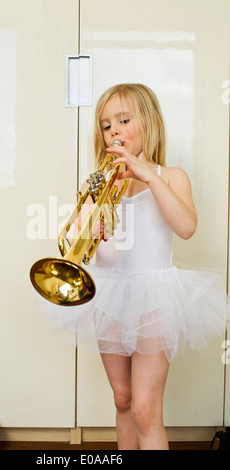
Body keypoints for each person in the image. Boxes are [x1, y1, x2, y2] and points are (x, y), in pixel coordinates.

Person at [41, 83, 229, 450]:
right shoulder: (97, 182)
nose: (114, 130)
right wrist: (90, 220)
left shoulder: (171, 176)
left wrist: (148, 174)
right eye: (106, 125)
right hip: (108, 295)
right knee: (123, 400)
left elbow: (187, 227)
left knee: (145, 409)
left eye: (124, 120)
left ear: (150, 123)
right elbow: (75, 244)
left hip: (154, 299)